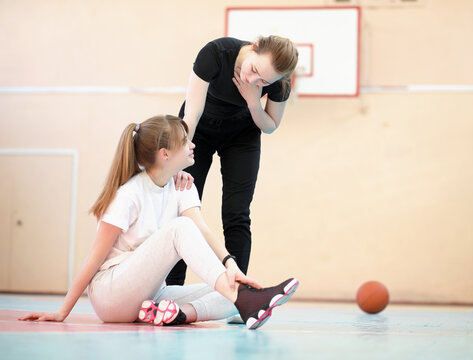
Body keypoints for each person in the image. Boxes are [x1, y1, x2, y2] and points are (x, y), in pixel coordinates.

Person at [19, 115, 298, 330]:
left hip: (149, 295)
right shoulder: (129, 194)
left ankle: (181, 314)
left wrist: (230, 265)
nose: (193, 146)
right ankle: (244, 301)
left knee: (227, 291)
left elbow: (202, 230)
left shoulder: (183, 185)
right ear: (165, 154)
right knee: (180, 230)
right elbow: (94, 258)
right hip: (111, 296)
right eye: (186, 141)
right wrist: (62, 311)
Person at [167, 35, 299, 287]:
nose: (253, 80)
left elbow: (269, 126)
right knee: (184, 210)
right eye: (253, 70)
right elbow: (192, 113)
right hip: (199, 131)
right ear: (254, 47)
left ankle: (237, 293)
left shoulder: (279, 83)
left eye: (263, 81)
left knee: (237, 212)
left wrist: (253, 102)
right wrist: (179, 158)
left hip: (242, 135)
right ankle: (173, 290)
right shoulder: (216, 53)